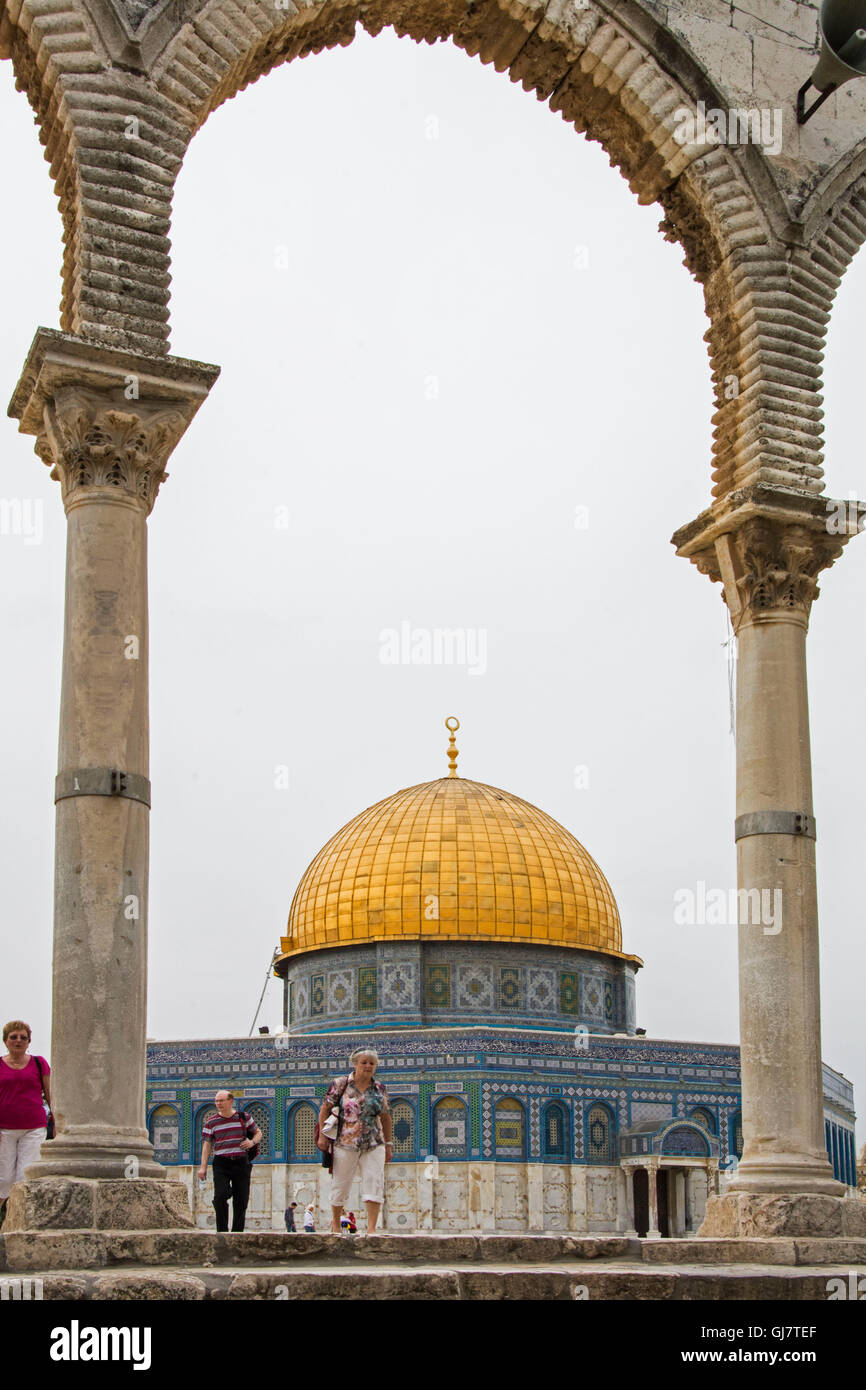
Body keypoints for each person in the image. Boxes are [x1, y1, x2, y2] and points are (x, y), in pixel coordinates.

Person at [319, 1046, 392, 1235]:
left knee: (374, 1182)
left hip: (374, 1142)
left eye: (372, 1063)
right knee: (340, 1184)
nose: (368, 1066)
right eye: (364, 1062)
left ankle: (372, 1229)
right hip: (345, 1142)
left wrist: (389, 1144)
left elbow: (385, 1117)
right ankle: (335, 1224)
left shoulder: (379, 1088)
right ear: (355, 1064)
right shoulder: (340, 1084)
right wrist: (322, 1136)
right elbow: (325, 1109)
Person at [0, 1021, 51, 1227]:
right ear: (6, 1041)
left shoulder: (39, 1064)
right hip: (4, 1128)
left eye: (22, 1037)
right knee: (3, 1179)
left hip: (33, 1126)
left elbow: (50, 1094)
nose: (18, 1041)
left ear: (29, 1041)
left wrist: (57, 1119)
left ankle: (20, 1225)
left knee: (25, 1177)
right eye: (14, 1037)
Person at [197, 1090, 262, 1233]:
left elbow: (258, 1132)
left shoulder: (244, 1117)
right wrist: (203, 1167)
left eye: (221, 1100)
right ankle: (222, 1231)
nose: (218, 1104)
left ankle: (237, 1233)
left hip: (241, 1162)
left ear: (231, 1101)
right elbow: (207, 1145)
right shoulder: (211, 1122)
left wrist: (252, 1142)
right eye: (216, 1101)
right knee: (220, 1196)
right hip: (221, 1163)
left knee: (241, 1200)